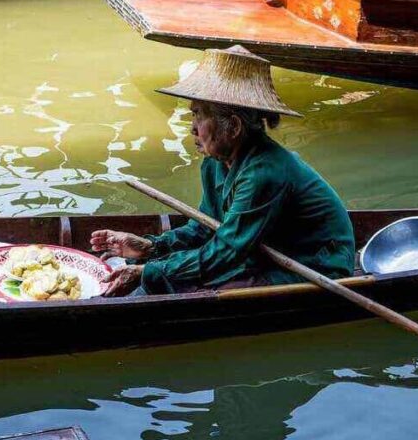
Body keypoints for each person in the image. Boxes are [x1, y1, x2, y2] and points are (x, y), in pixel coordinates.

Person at [92, 45, 355, 296]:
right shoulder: (216, 162)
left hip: (314, 267)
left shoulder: (265, 172)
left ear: (233, 126)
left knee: (187, 286)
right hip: (260, 249)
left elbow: (226, 252)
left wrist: (150, 270)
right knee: (168, 275)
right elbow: (206, 227)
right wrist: (151, 247)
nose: (192, 127)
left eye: (198, 115)